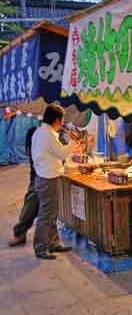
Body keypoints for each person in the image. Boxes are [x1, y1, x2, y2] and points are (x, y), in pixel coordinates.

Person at [31, 105, 78, 259]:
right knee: (46, 215)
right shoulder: (48, 135)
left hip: (42, 177)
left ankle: (52, 243)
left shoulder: (39, 132)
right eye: (62, 120)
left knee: (51, 213)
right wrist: (73, 142)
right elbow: (62, 153)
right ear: (57, 120)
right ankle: (40, 248)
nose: (62, 123)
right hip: (48, 179)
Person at [8, 126, 39, 247]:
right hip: (38, 177)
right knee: (30, 207)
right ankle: (19, 234)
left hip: (49, 177)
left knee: (48, 213)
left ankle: (52, 241)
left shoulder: (56, 133)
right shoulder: (34, 131)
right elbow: (28, 152)